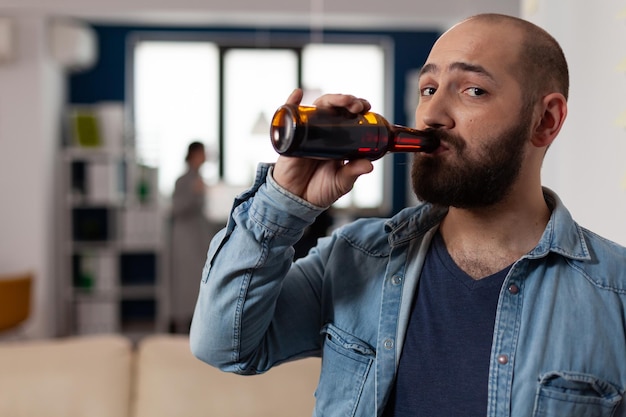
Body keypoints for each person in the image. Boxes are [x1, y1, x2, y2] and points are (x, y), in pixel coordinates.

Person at [190, 13, 626, 417]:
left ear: (545, 121)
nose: (432, 115)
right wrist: (283, 200)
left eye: (473, 90)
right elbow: (223, 346)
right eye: (429, 89)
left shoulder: (615, 294)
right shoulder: (354, 258)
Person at [170, 141, 212, 333]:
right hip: (185, 239)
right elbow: (177, 208)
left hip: (198, 236)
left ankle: (196, 323)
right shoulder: (183, 180)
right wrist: (194, 193)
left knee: (198, 279)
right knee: (185, 282)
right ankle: (181, 324)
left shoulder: (199, 178)